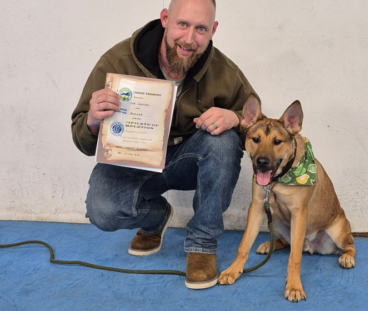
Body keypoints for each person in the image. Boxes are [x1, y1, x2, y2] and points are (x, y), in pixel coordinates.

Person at [71, 0, 259, 289]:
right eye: (182, 24)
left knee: (224, 141)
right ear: (164, 18)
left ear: (213, 30)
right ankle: (156, 217)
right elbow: (81, 140)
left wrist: (234, 118)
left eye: (201, 29)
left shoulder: (225, 73)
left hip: (188, 160)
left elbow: (258, 126)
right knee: (102, 210)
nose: (189, 39)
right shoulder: (117, 61)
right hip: (135, 160)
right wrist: (93, 121)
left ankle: (201, 245)